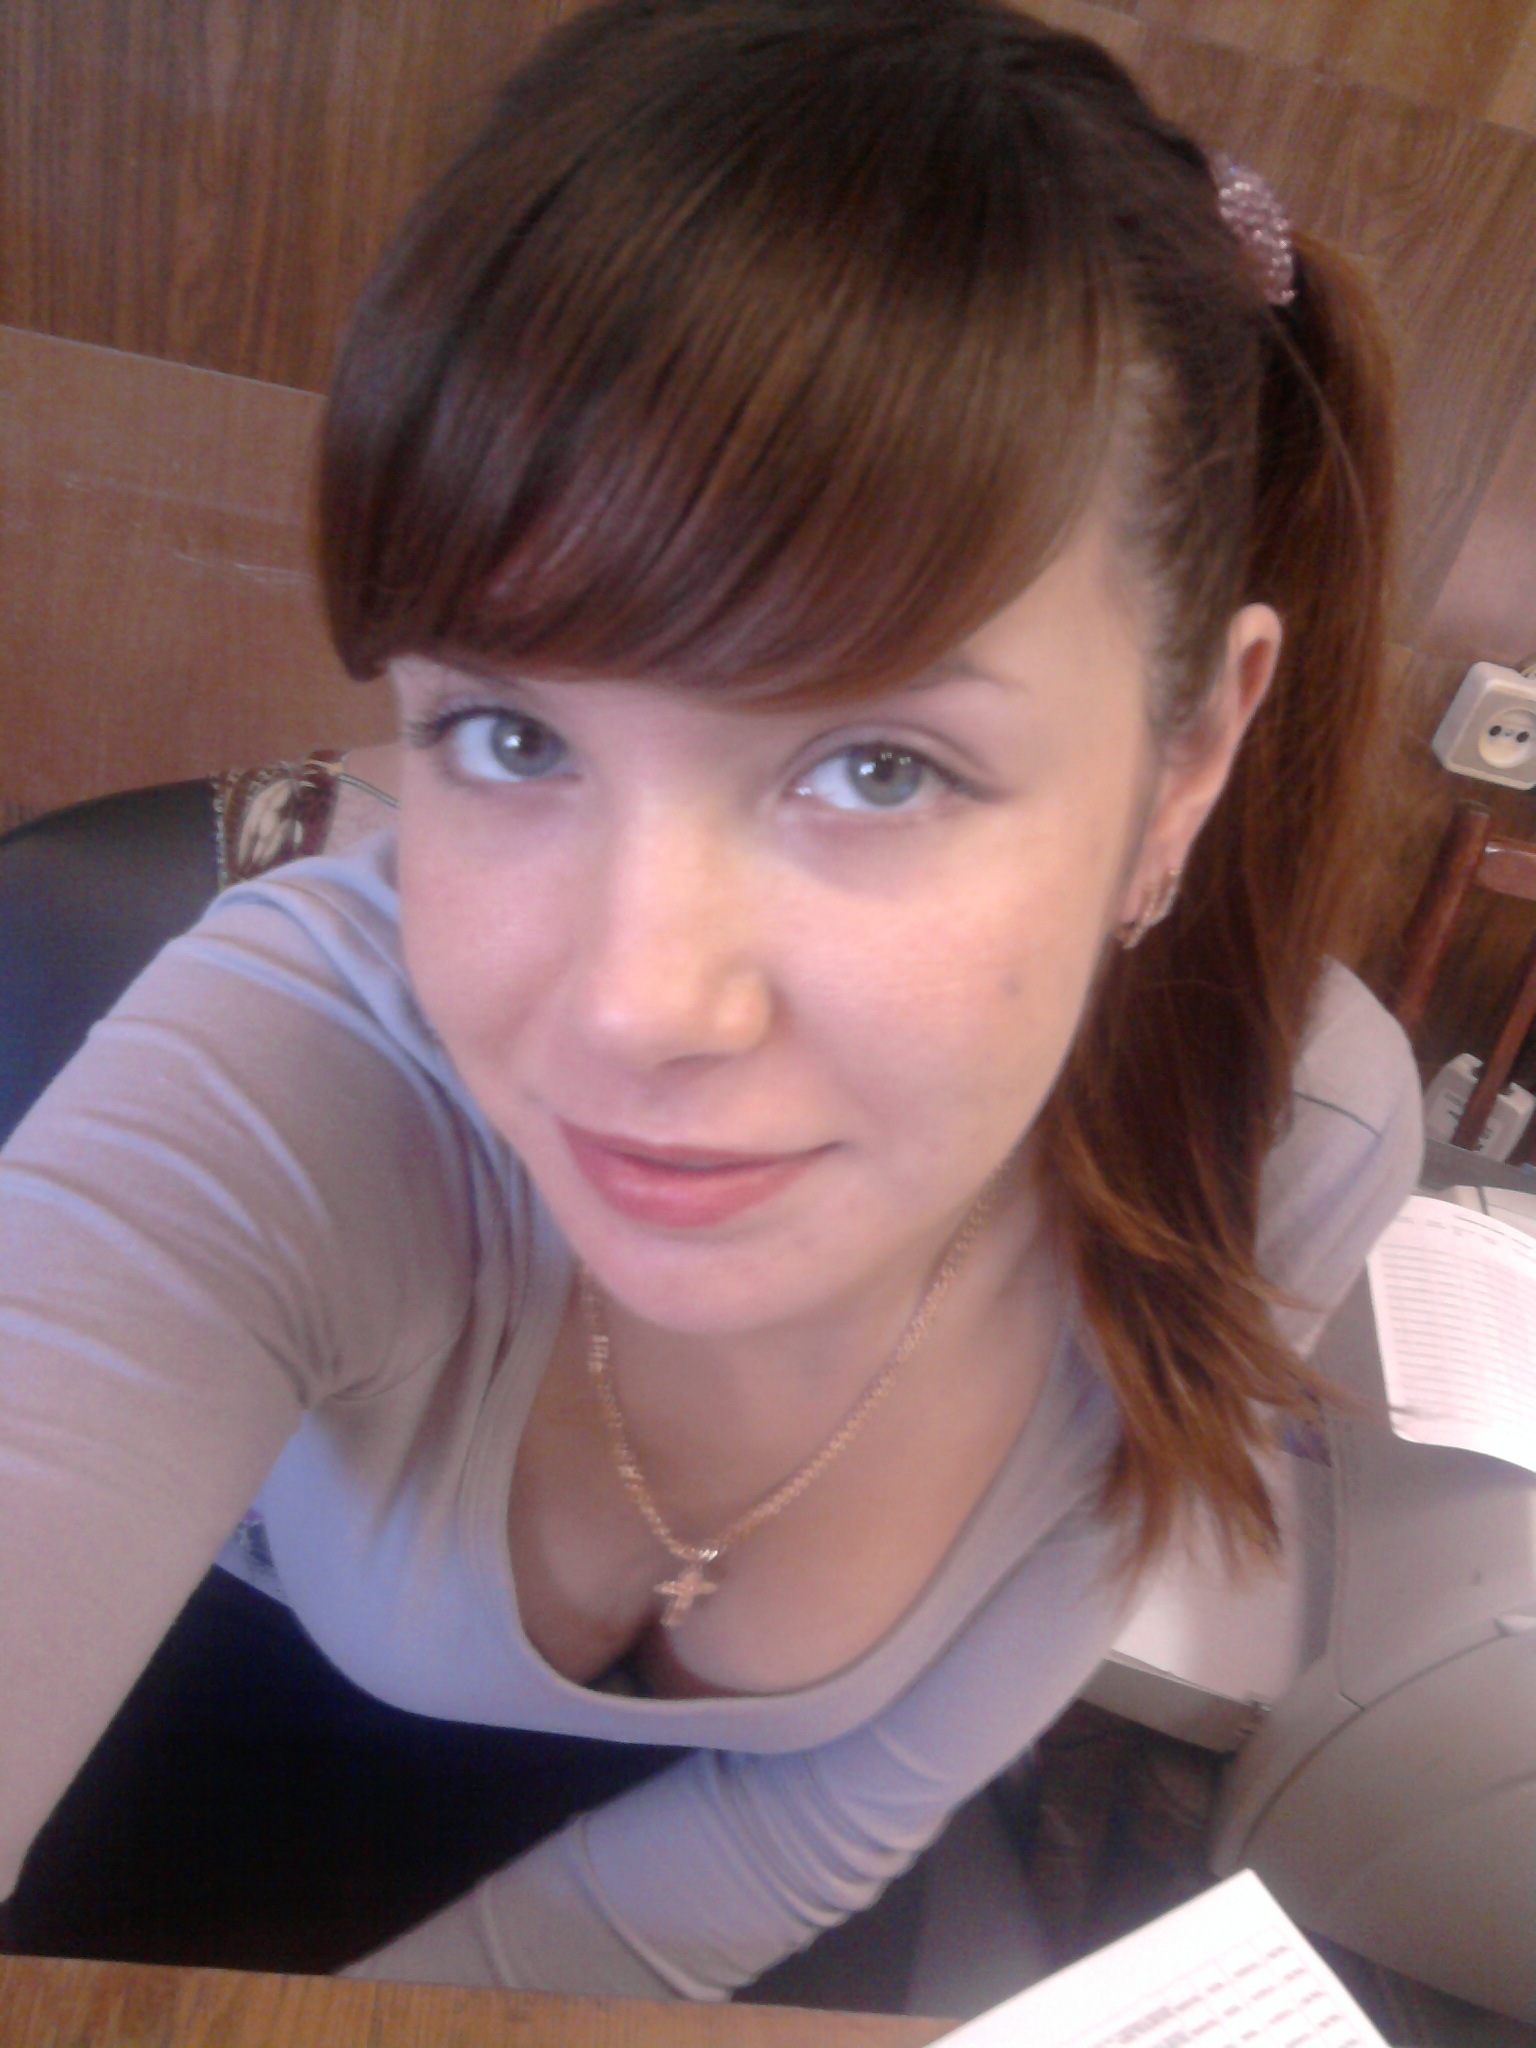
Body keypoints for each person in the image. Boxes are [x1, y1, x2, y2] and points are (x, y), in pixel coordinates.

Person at [0, 0, 1421, 2007]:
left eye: (878, 767)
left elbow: (831, 1816)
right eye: (509, 733)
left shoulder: (1294, 1128)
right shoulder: (294, 1060)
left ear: (1186, 761)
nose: (634, 1005)